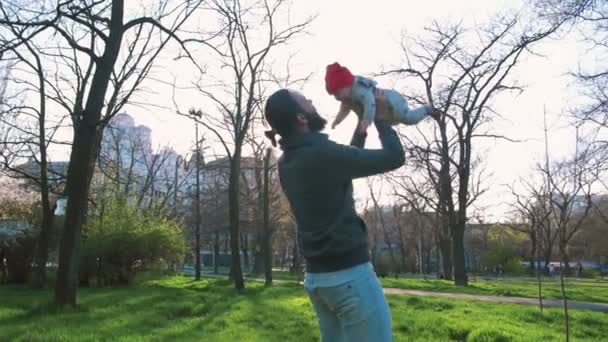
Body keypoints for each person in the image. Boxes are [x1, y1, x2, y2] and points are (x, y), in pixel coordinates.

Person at [264, 88, 404, 342]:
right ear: (301, 118)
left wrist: (362, 127)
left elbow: (342, 165)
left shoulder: (287, 161)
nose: (311, 101)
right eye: (305, 100)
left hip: (320, 281)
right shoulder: (322, 154)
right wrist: (382, 119)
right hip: (350, 278)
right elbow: (395, 157)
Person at [324, 62, 436, 133]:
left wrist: (366, 121)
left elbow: (370, 102)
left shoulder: (359, 90)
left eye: (338, 93)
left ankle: (427, 109)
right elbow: (343, 110)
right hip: (386, 113)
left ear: (346, 85)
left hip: (394, 102)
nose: (337, 97)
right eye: (334, 95)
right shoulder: (346, 99)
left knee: (409, 119)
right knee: (389, 122)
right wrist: (337, 121)